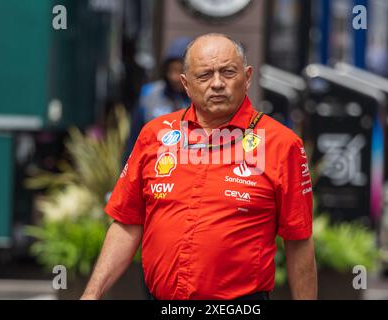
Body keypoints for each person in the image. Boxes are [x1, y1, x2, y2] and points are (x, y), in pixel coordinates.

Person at [82, 33, 317, 300]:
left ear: (248, 76)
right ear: (186, 84)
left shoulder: (282, 144)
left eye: (228, 72)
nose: (217, 84)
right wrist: (91, 294)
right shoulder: (155, 134)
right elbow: (127, 223)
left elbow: (299, 240)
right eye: (204, 76)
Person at [124, 37, 191, 161]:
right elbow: (133, 138)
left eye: (181, 71)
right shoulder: (149, 94)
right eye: (171, 70)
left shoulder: (199, 99)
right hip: (153, 163)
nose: (175, 77)